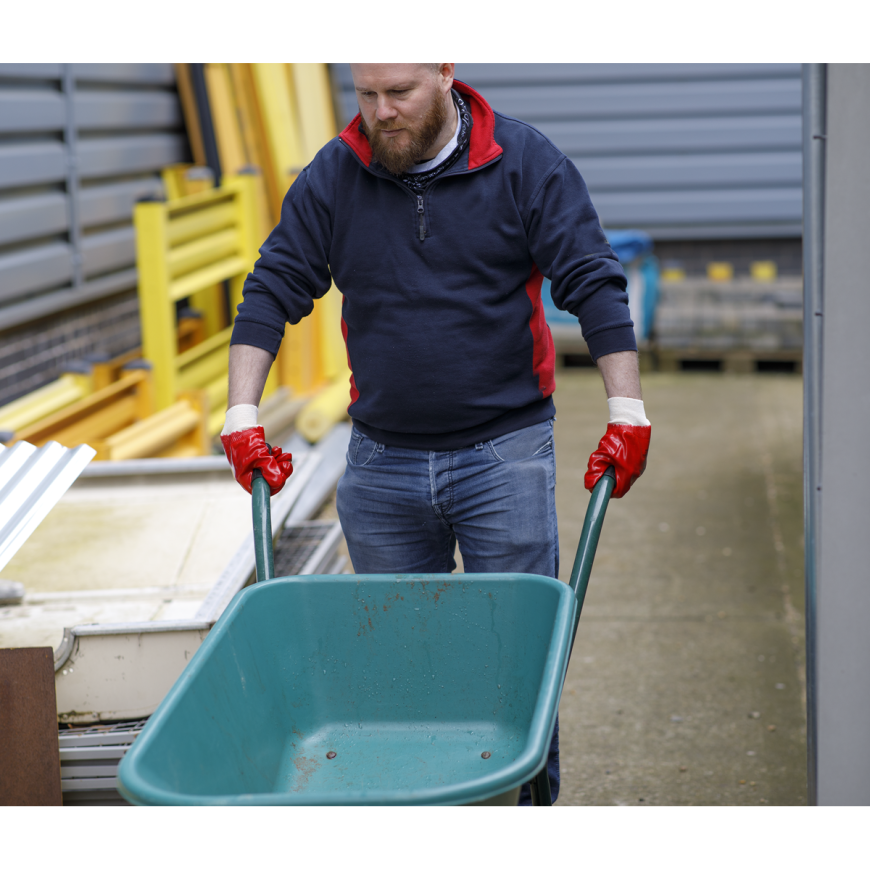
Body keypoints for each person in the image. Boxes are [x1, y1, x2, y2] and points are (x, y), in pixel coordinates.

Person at [220, 63, 651, 806]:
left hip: (503, 454)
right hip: (382, 462)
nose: (381, 113)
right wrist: (240, 413)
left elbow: (591, 278)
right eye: (366, 95)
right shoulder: (336, 175)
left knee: (516, 668)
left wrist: (627, 410)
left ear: (446, 73)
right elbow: (274, 283)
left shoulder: (525, 164)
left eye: (400, 93)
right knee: (395, 678)